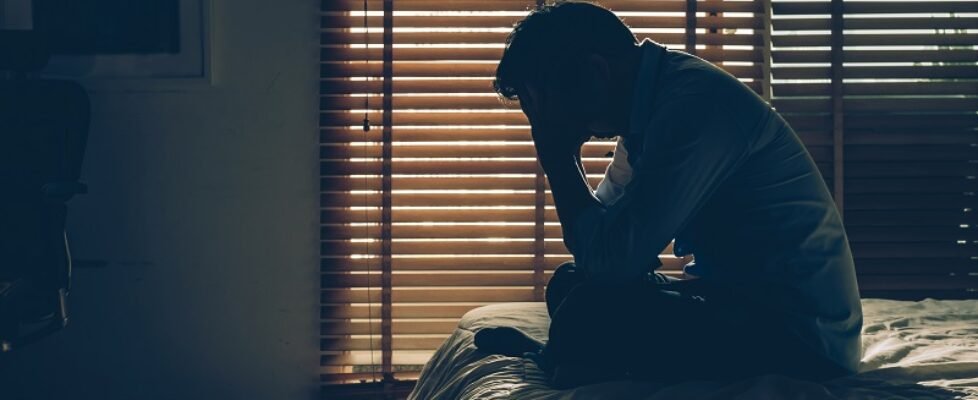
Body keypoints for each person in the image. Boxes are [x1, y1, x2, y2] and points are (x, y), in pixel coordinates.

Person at [473, 1, 863, 389]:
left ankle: (560, 357)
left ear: (595, 72)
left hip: (799, 340)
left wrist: (556, 156)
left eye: (550, 105)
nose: (547, 122)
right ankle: (560, 356)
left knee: (588, 310)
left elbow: (612, 262)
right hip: (732, 302)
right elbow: (599, 245)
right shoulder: (648, 110)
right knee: (569, 284)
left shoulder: (695, 109)